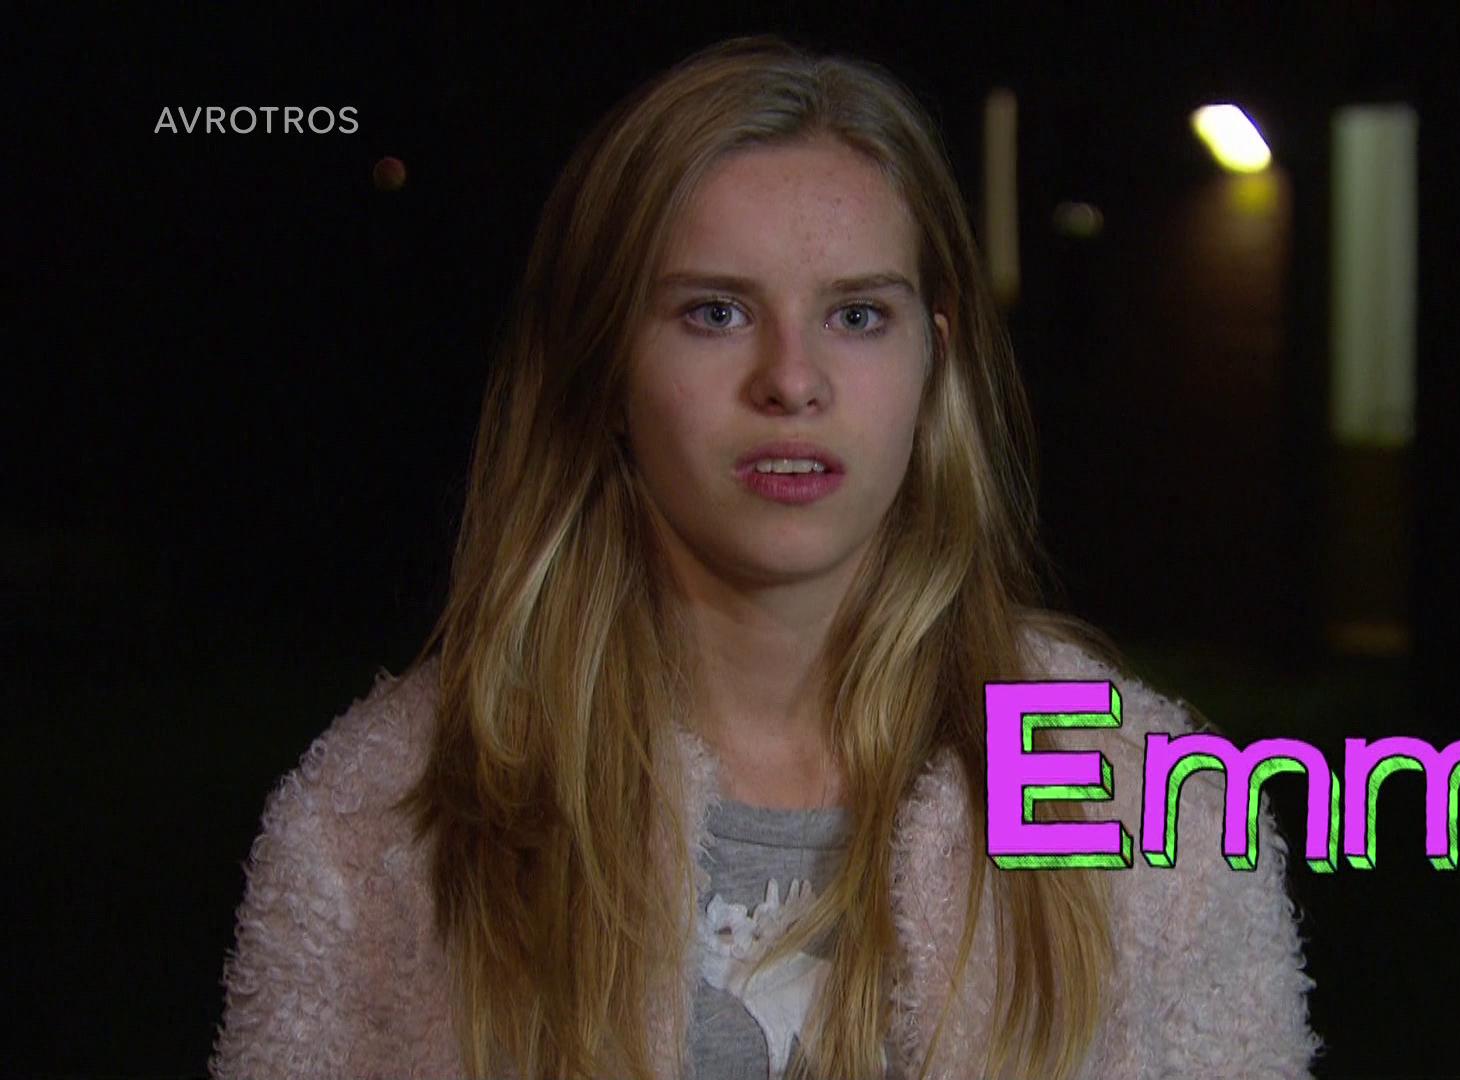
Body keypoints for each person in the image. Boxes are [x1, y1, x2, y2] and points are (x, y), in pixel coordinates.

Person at [210, 35, 1318, 1080]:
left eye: (857, 316)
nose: (792, 380)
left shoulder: (1154, 810)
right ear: (605, 366)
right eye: (716, 312)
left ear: (933, 360)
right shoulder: (378, 821)